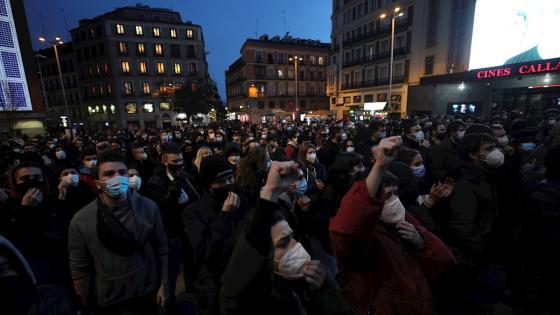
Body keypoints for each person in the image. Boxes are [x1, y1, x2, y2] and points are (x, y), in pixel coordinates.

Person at [329, 136, 456, 315]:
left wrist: (421, 243)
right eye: (387, 196)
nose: (394, 201)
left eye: (395, 194)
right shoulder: (360, 238)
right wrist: (379, 166)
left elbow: (445, 262)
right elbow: (348, 227)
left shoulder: (404, 222)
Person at [220, 161, 354, 315]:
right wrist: (270, 194)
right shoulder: (251, 301)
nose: (296, 246)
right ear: (262, 256)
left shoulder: (303, 286)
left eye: (291, 237)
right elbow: (233, 290)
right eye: (283, 243)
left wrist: (321, 290)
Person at [68, 151, 169, 311]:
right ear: (98, 183)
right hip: (111, 300)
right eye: (109, 174)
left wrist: (164, 283)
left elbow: (161, 248)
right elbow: (80, 268)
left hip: (148, 290)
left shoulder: (148, 207)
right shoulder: (81, 220)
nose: (118, 177)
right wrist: (85, 303)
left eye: (122, 172)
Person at [443, 133, 507, 314]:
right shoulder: (466, 182)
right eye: (488, 149)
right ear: (472, 154)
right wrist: (480, 250)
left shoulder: (484, 176)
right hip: (470, 256)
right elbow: (462, 225)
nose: (495, 153)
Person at [182, 155, 246, 315]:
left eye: (230, 178)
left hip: (244, 277)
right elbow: (205, 252)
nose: (229, 184)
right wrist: (225, 215)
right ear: (209, 185)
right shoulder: (194, 212)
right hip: (215, 284)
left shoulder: (242, 201)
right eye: (222, 181)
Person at [144, 144, 200, 307]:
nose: (179, 164)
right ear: (164, 161)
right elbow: (162, 206)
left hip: (188, 228)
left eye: (181, 160)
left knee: (190, 263)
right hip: (171, 231)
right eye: (175, 161)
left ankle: (191, 293)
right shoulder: (155, 181)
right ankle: (169, 300)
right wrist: (175, 184)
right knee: (171, 268)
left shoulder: (185, 175)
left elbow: (195, 194)